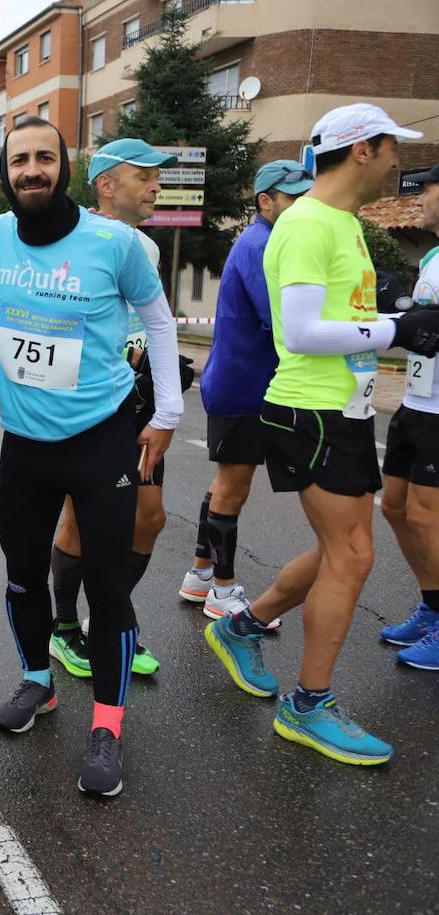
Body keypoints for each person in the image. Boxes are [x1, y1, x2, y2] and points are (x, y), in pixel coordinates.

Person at [203, 103, 439, 766]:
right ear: (363, 149)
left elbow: (342, 315)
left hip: (344, 408)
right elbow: (299, 332)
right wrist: (401, 329)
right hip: (312, 411)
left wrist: (396, 312)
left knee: (342, 548)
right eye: (394, 148)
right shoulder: (308, 223)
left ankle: (241, 628)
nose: (400, 162)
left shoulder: (338, 221)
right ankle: (308, 706)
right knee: (353, 554)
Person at [0, 116, 183, 797]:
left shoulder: (114, 241)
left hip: (103, 440)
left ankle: (106, 723)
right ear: (5, 171)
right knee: (20, 576)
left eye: (44, 157)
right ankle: (38, 680)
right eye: (19, 160)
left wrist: (168, 412)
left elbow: (158, 321)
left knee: (107, 584)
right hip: (25, 445)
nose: (31, 169)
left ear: (65, 166)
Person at [46, 138, 179, 680]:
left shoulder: (141, 247)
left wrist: (165, 380)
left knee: (149, 519)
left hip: (137, 399)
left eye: (156, 176)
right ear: (107, 184)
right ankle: (64, 630)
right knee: (79, 519)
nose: (155, 185)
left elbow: (153, 324)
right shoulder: (77, 238)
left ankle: (109, 618)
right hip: (90, 404)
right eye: (143, 175)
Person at [180, 161, 314, 619]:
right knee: (232, 488)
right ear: (265, 201)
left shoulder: (267, 240)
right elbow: (279, 322)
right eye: (293, 198)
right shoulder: (262, 243)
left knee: (225, 484)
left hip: (242, 382)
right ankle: (223, 589)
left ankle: (200, 575)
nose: (301, 206)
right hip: (244, 387)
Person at [379, 162, 439, 670]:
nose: (420, 197)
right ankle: (432, 605)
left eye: (429, 188)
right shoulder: (434, 256)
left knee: (426, 515)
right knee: (395, 508)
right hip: (415, 401)